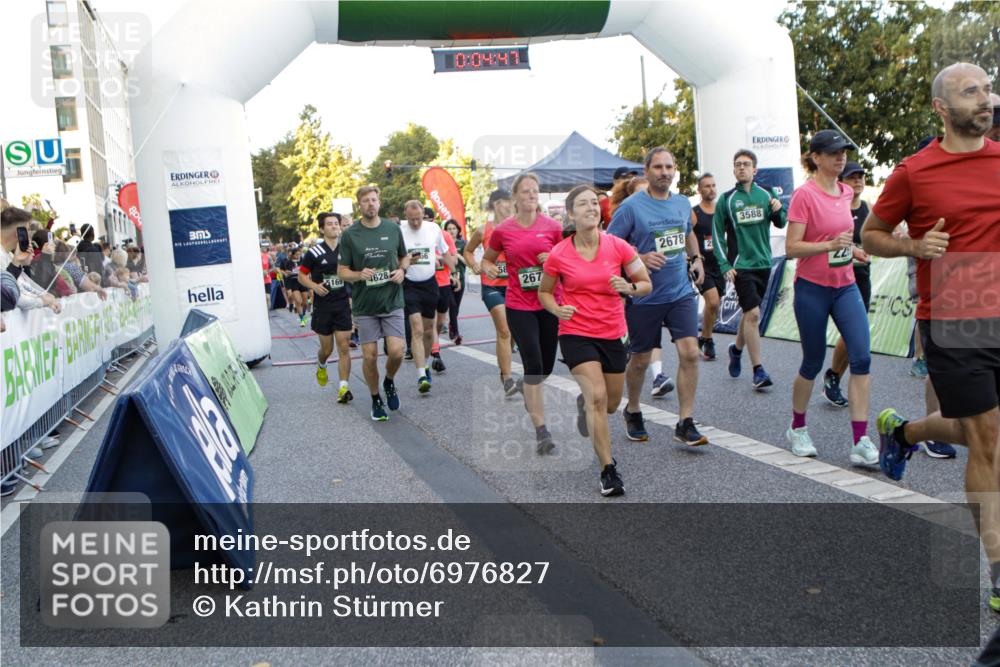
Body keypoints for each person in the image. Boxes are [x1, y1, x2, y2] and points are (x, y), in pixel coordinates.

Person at [861, 63, 1000, 608]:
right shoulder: (915, 173)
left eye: (988, 89)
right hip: (956, 315)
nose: (986, 99)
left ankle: (906, 433)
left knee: (987, 432)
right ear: (942, 107)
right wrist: (914, 248)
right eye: (972, 92)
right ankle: (997, 569)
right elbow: (869, 235)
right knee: (987, 438)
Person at [539, 185, 652, 496]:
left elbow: (645, 284)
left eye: (594, 203)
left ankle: (584, 405)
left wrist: (628, 287)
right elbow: (544, 292)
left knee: (611, 404)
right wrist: (557, 309)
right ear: (571, 214)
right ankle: (608, 469)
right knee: (598, 398)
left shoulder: (618, 247)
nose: (590, 208)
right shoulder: (559, 254)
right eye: (583, 204)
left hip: (613, 332)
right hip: (575, 333)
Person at [783, 130, 876, 469]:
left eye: (844, 152)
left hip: (845, 285)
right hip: (812, 288)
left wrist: (854, 251)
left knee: (862, 356)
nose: (841, 158)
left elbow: (841, 240)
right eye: (833, 152)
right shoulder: (804, 195)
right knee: (812, 360)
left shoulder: (846, 192)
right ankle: (797, 427)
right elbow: (792, 247)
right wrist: (829, 246)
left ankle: (861, 440)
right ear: (816, 157)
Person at [607, 147, 708, 446]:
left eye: (669, 167)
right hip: (645, 295)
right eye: (658, 167)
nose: (665, 172)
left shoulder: (680, 203)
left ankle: (685, 421)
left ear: (675, 170)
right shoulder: (631, 207)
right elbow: (610, 246)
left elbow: (687, 231)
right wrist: (639, 257)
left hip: (680, 292)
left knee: (690, 352)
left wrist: (697, 259)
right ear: (647, 170)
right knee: (639, 360)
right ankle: (634, 409)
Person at [481, 173, 563, 454]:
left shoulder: (553, 227)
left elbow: (568, 261)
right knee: (534, 363)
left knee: (546, 368)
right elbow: (487, 259)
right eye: (525, 191)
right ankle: (541, 429)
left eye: (535, 191)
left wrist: (553, 259)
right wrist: (488, 268)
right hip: (518, 304)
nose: (531, 195)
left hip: (550, 302)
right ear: (515, 197)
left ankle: (526, 385)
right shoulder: (504, 230)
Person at [712, 149, 787, 391]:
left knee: (748, 313)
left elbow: (782, 222)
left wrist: (778, 208)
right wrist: (725, 265)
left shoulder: (766, 195)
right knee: (753, 314)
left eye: (746, 164)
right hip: (741, 266)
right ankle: (758, 370)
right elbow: (717, 236)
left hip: (765, 264)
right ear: (734, 170)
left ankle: (736, 350)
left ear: (754, 170)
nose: (742, 168)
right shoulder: (727, 199)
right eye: (738, 164)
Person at [337, 185, 410, 421]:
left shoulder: (392, 228)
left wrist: (402, 270)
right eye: (366, 201)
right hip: (365, 304)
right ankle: (375, 397)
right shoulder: (350, 235)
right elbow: (342, 271)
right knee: (369, 356)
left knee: (398, 351)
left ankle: (388, 381)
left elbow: (403, 256)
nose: (370, 204)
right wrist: (359, 275)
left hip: (392, 300)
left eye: (374, 200)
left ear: (379, 202)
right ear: (360, 205)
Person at [821, 161, 873, 407]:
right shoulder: (835, 206)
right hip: (837, 277)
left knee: (855, 333)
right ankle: (832, 375)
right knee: (850, 332)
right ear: (843, 181)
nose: (858, 181)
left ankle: (834, 377)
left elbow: (877, 236)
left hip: (861, 277)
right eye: (853, 177)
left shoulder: (867, 209)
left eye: (861, 176)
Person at [464, 189, 521, 395]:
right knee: (504, 330)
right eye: (508, 202)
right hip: (492, 286)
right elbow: (468, 251)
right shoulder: (483, 230)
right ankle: (507, 379)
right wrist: (475, 265)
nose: (512, 205)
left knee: (513, 330)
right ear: (497, 204)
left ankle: (506, 367)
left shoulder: (519, 227)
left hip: (516, 286)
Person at [298, 212, 354, 403]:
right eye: (329, 224)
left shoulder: (347, 250)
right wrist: (314, 287)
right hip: (323, 307)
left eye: (336, 224)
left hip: (342, 304)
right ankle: (321, 364)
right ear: (322, 229)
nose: (334, 227)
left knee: (344, 347)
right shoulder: (314, 253)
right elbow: (301, 276)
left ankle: (343, 387)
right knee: (327, 349)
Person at [400, 200, 453, 394]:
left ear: (424, 214)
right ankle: (421, 374)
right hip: (409, 284)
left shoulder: (433, 228)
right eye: (412, 219)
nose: (415, 223)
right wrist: (404, 260)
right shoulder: (399, 230)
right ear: (406, 216)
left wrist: (454, 273)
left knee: (430, 331)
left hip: (430, 283)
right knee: (417, 327)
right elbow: (392, 256)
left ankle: (426, 363)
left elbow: (446, 253)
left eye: (418, 218)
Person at [691, 173, 723, 360]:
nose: (711, 189)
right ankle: (708, 340)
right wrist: (693, 259)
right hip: (702, 265)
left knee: (714, 306)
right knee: (713, 301)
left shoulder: (721, 211)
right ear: (699, 190)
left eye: (713, 185)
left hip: (720, 265)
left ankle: (704, 337)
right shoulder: (694, 213)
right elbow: (688, 236)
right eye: (706, 186)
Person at [443, 219, 466, 343]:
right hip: (447, 279)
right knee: (451, 305)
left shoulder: (463, 244)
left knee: (455, 307)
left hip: (460, 279)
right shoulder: (442, 244)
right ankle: (456, 333)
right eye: (449, 229)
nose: (451, 231)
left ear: (458, 230)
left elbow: (468, 262)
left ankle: (452, 325)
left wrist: (456, 254)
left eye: (454, 228)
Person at [281, 246, 308, 326]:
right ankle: (302, 319)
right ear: (292, 255)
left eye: (299, 254)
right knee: (298, 301)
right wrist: (287, 273)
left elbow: (307, 270)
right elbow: (285, 272)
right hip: (293, 282)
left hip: (302, 282)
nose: (298, 256)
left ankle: (304, 315)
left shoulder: (303, 260)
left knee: (305, 303)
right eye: (296, 254)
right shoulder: (288, 262)